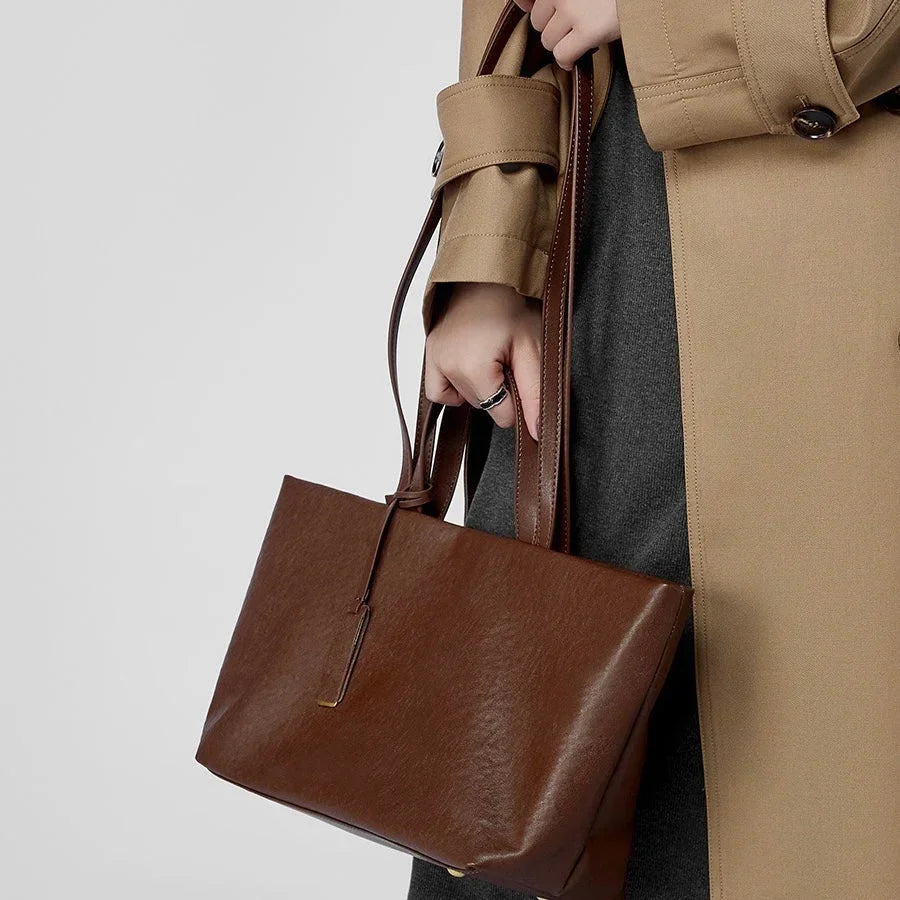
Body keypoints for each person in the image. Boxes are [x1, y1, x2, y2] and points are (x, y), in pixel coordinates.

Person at [407, 1, 899, 899]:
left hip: (838, 252)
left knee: (805, 775)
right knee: (533, 773)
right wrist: (490, 247)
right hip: (602, 240)